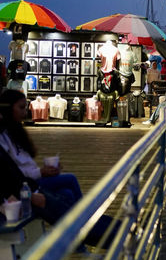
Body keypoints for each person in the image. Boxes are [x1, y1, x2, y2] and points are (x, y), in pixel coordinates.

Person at [0, 90, 114, 246]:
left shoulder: (13, 132)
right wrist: (39, 175)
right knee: (70, 182)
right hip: (26, 189)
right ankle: (90, 225)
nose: (25, 112)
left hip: (29, 185)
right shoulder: (4, 136)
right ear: (8, 108)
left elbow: (16, 169)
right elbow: (12, 173)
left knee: (66, 193)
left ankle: (83, 235)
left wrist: (41, 172)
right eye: (21, 108)